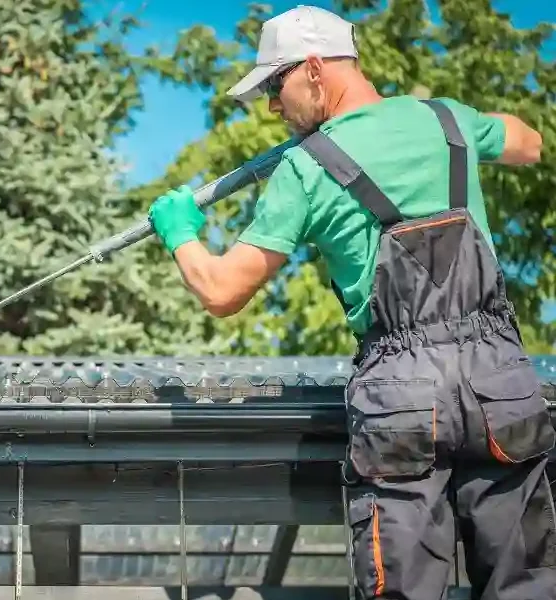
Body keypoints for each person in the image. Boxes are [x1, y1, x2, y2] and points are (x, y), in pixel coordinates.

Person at [147, 5, 556, 600]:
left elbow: (220, 290)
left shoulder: (306, 168)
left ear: (315, 69)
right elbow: (530, 143)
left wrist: (180, 231)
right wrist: (457, 128)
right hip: (500, 379)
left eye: (274, 85)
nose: (271, 106)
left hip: (403, 394)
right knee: (531, 587)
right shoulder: (447, 119)